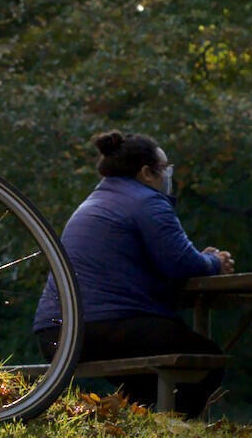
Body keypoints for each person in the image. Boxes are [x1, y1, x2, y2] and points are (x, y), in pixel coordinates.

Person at [33, 131, 235, 417]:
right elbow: (181, 262)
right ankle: (177, 433)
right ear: (146, 172)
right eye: (165, 169)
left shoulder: (97, 199)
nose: (168, 176)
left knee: (150, 379)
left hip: (55, 333)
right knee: (206, 360)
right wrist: (214, 261)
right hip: (99, 327)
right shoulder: (147, 201)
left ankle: (152, 428)